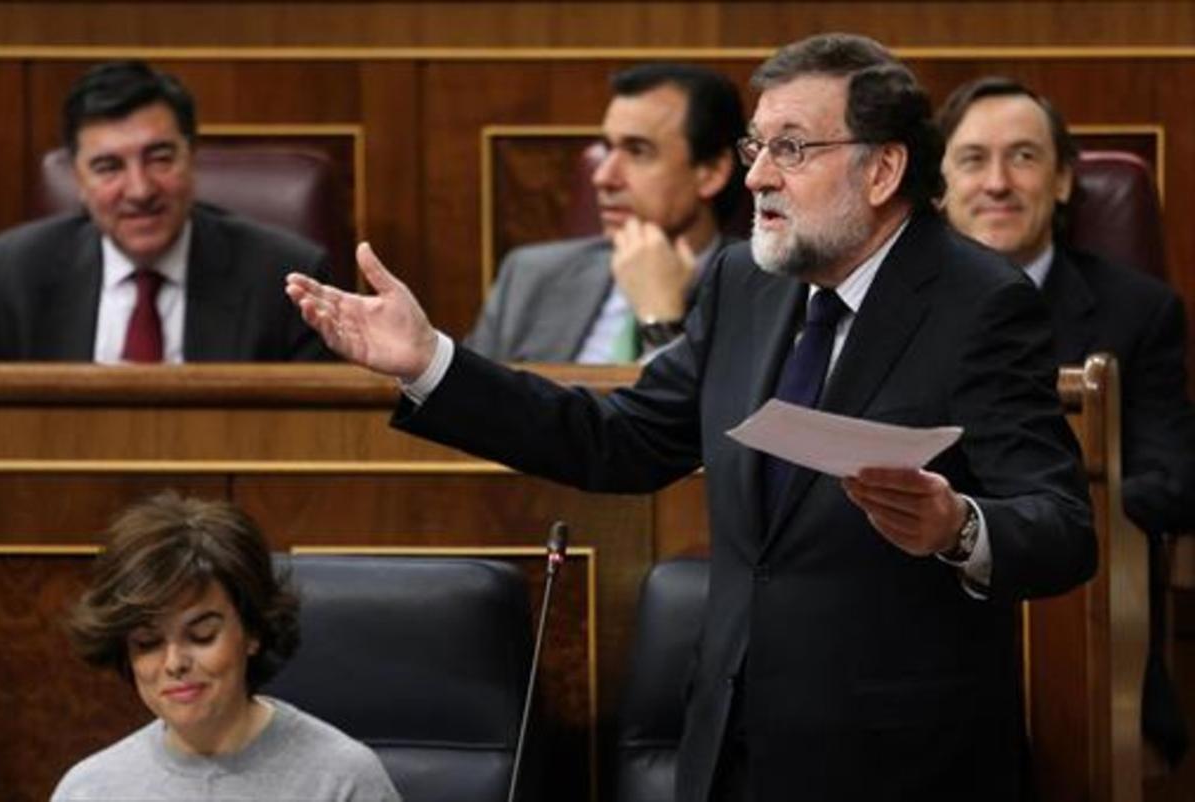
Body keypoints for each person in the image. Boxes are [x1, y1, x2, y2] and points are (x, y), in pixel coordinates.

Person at [288, 34, 1095, 801]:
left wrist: (957, 526)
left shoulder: (980, 303)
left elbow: (1062, 528)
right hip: (731, 747)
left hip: (899, 761)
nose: (757, 179)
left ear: (882, 169)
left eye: (792, 149)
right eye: (755, 148)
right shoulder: (745, 281)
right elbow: (620, 442)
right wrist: (430, 361)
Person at [937, 74, 1195, 764]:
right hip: (915, 612)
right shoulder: (892, 308)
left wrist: (1040, 519)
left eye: (1023, 157)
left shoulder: (1138, 312)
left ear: (1061, 182)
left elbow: (1172, 479)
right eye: (971, 159)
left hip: (1080, 615)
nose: (997, 181)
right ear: (938, 186)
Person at [50, 492, 401, 801]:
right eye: (148, 642)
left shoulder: (344, 780)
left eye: (201, 635)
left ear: (252, 631)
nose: (174, 663)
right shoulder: (89, 789)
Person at [0, 60, 334, 362]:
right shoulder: (11, 276)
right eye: (108, 166)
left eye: (160, 158)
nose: (140, 190)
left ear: (191, 158)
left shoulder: (285, 282)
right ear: (78, 180)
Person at [467, 62, 746, 363]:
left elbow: (721, 408)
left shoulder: (761, 291)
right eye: (608, 148)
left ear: (712, 172)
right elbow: (469, 404)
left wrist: (661, 322)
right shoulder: (531, 275)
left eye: (638, 151)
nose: (603, 177)